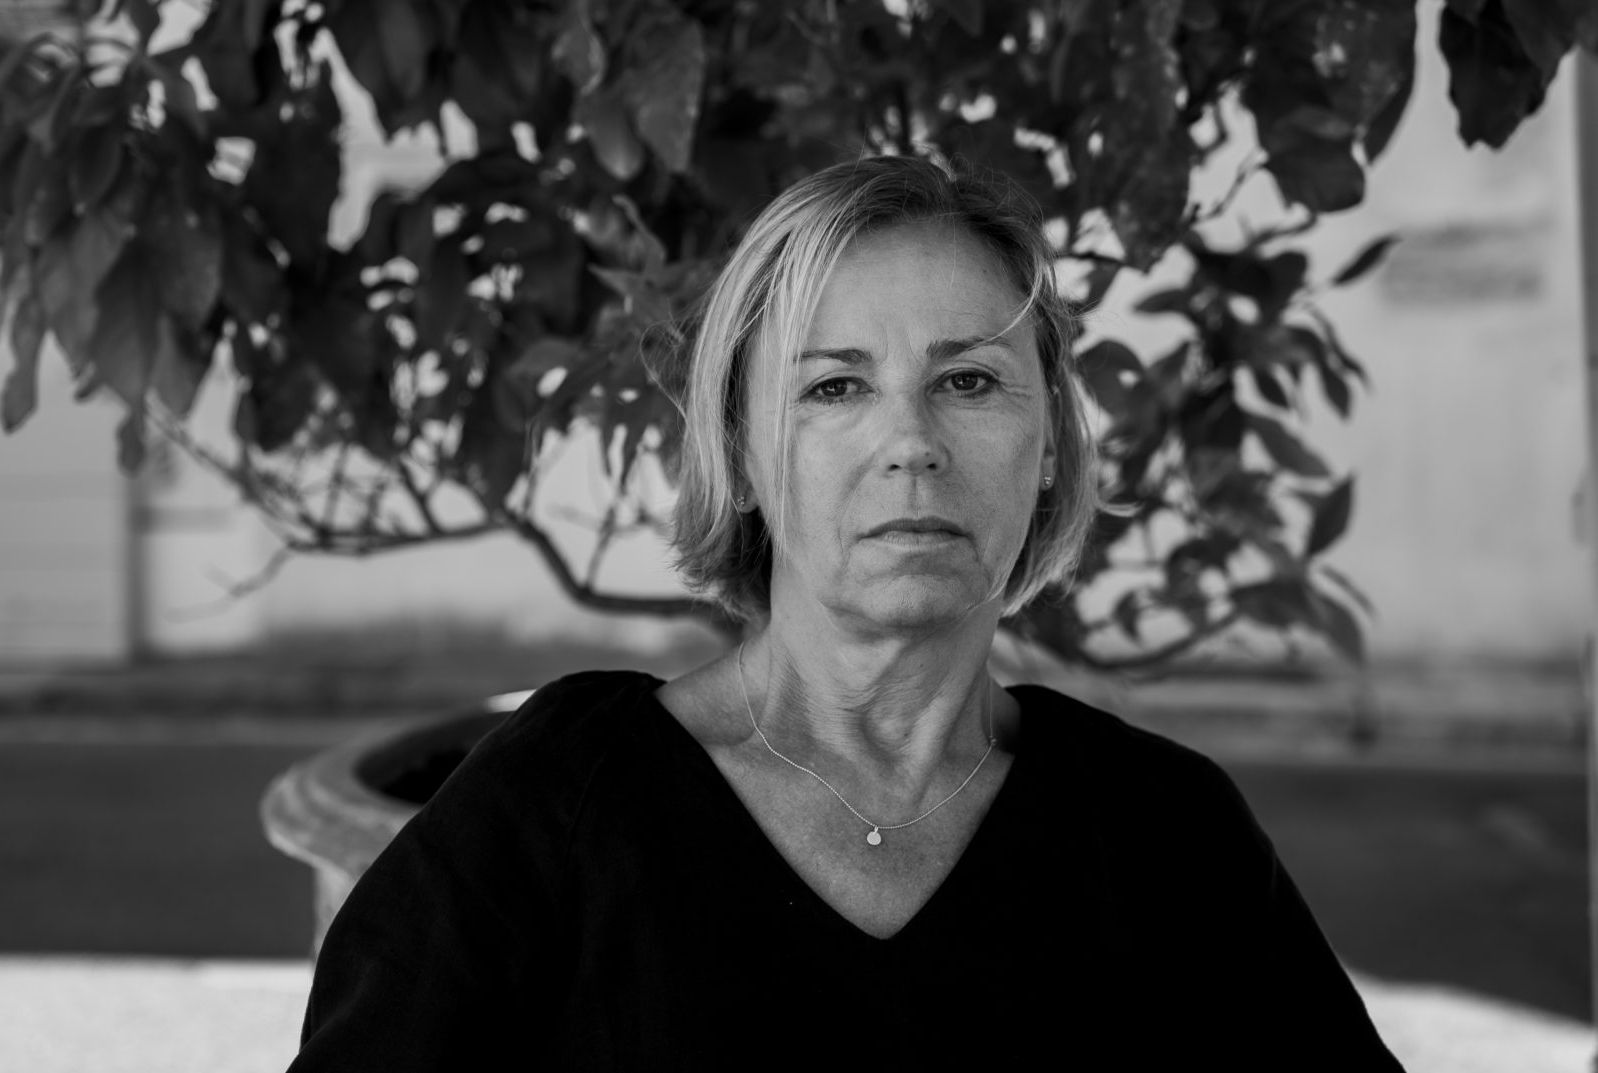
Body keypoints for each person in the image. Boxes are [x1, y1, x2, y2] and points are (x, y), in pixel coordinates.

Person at [286, 155, 1406, 1070]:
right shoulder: (554, 807)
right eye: (835, 387)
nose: (911, 442)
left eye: (969, 381)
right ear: (742, 453)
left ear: (1049, 444)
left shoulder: (1167, 833)